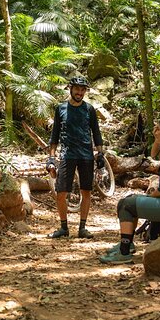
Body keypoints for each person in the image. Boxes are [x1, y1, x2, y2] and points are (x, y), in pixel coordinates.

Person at [99, 115, 160, 264]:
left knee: (126, 205)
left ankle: (124, 252)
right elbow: (153, 154)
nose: (154, 131)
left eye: (158, 129)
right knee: (129, 200)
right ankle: (127, 244)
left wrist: (151, 194)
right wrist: (158, 138)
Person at [46, 76, 105, 239]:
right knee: (61, 193)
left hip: (86, 155)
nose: (80, 92)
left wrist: (100, 153)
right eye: (77, 89)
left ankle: (82, 228)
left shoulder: (89, 109)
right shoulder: (61, 108)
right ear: (70, 89)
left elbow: (96, 132)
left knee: (86, 191)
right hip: (67, 155)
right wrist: (51, 158)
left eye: (83, 89)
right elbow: (55, 134)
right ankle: (64, 228)